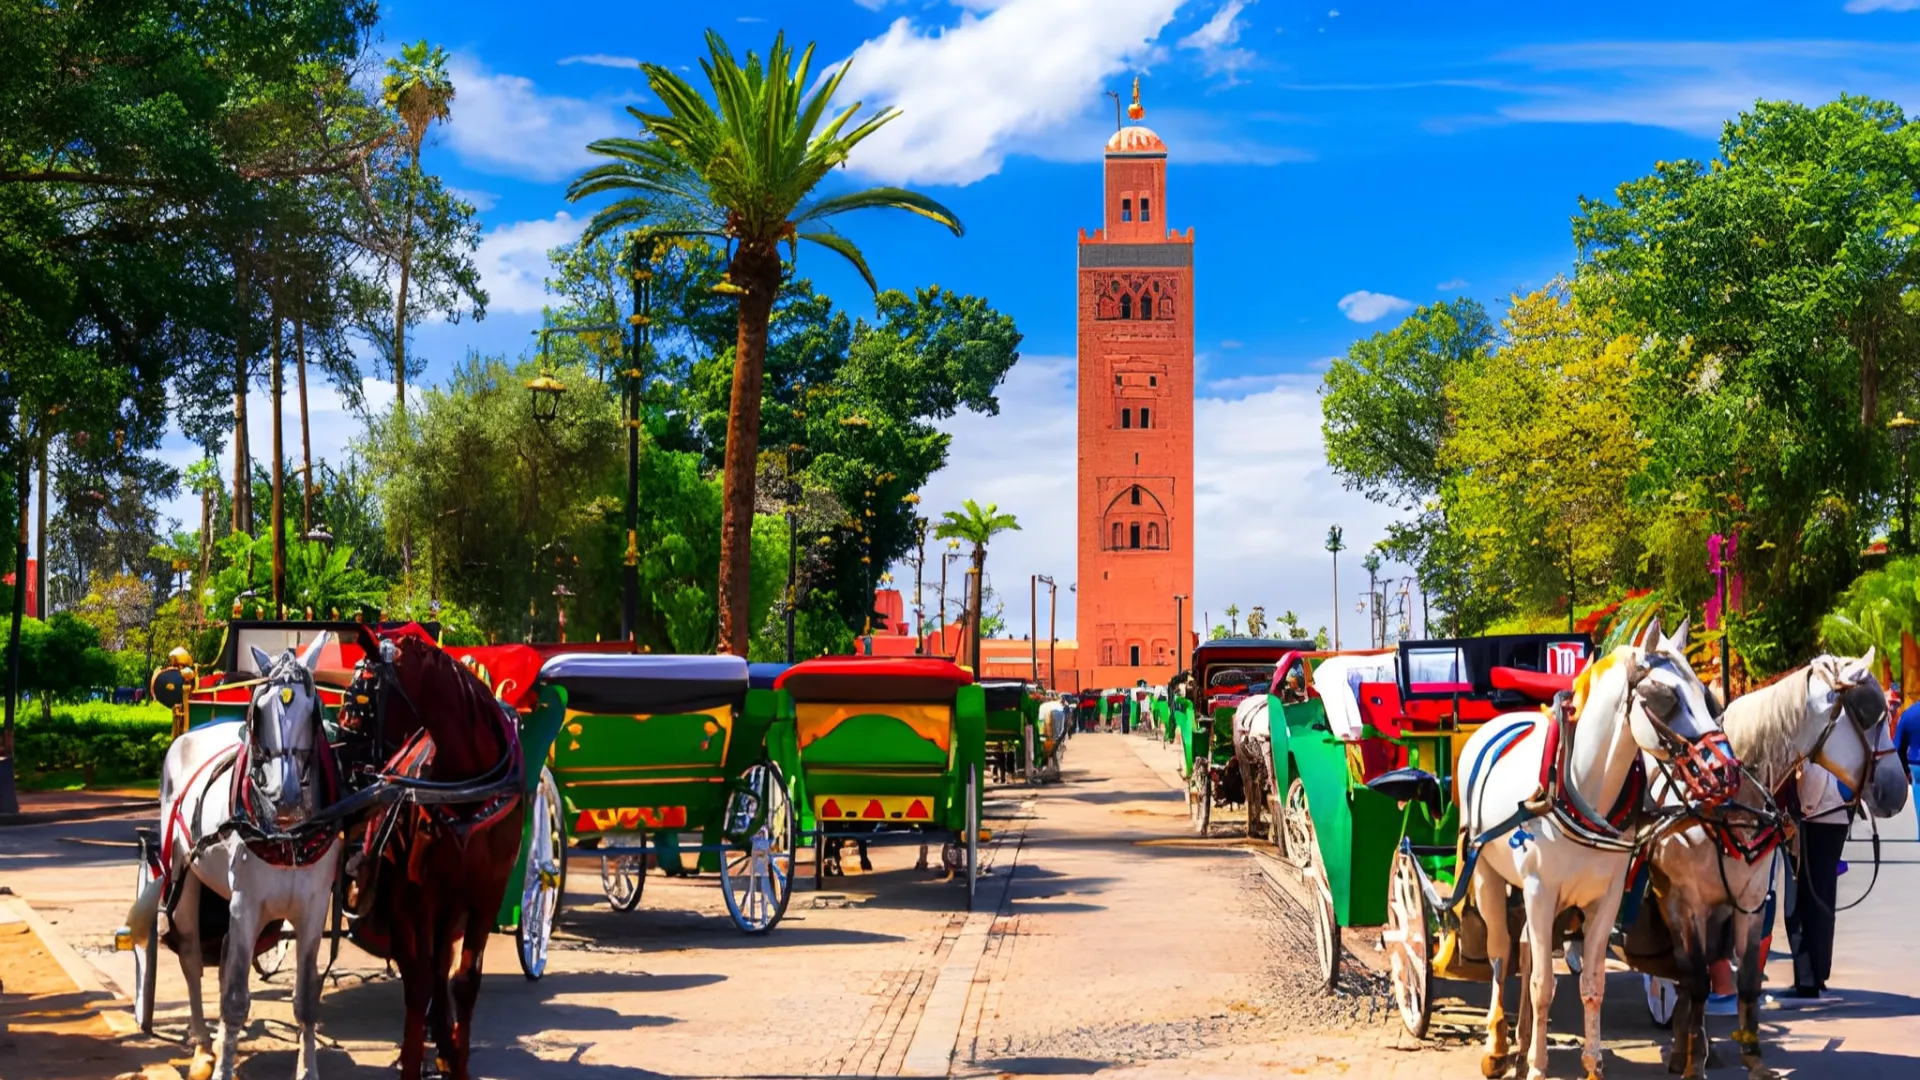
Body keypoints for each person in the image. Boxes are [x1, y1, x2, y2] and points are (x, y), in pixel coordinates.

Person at [1899, 684, 1920, 842]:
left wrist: (1903, 768)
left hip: (1915, 762)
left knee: (1919, 797)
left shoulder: (1908, 714)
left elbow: (1898, 745)